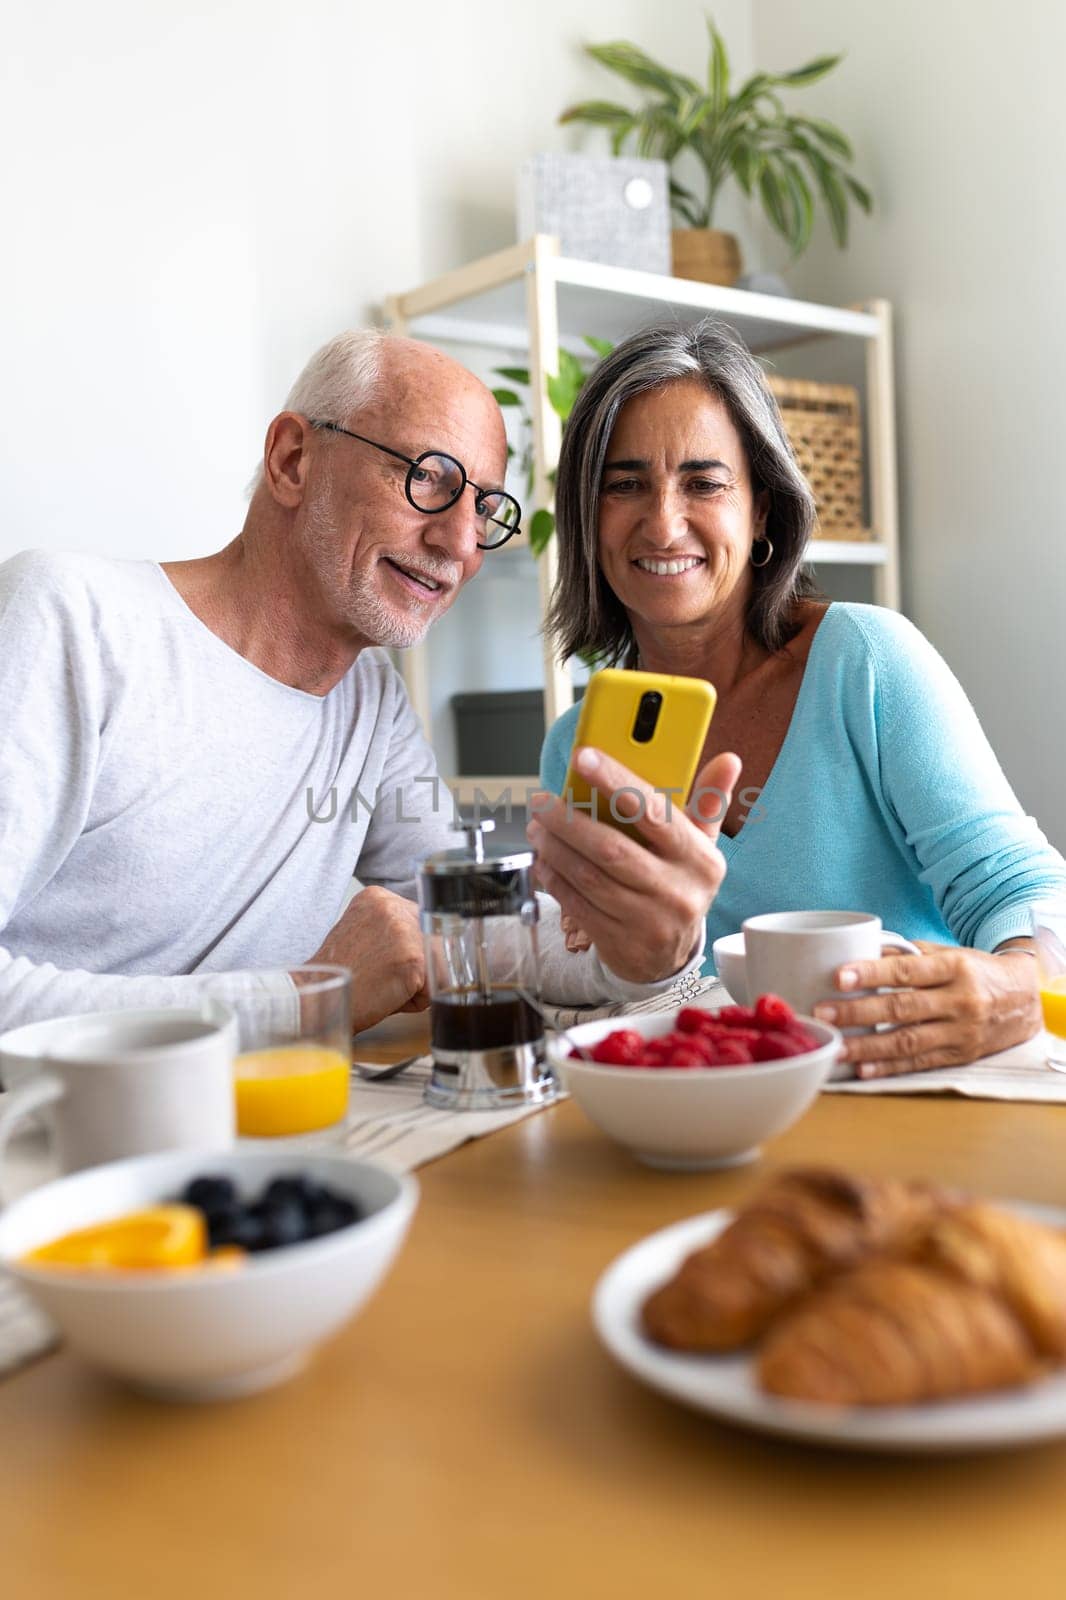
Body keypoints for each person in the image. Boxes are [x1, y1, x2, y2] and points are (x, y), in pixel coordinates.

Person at [0, 330, 738, 1040]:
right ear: (293, 460)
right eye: (428, 479)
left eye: (484, 509)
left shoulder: (371, 700)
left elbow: (479, 937)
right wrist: (305, 1000)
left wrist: (644, 948)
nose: (459, 545)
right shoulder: (71, 617)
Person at [536, 318, 1066, 1078]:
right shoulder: (576, 748)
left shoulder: (865, 661)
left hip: (911, 1084)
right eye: (624, 484)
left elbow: (1026, 889)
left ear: (761, 511)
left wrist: (1016, 988)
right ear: (588, 520)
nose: (662, 520)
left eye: (704, 482)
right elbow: (622, 992)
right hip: (715, 1110)